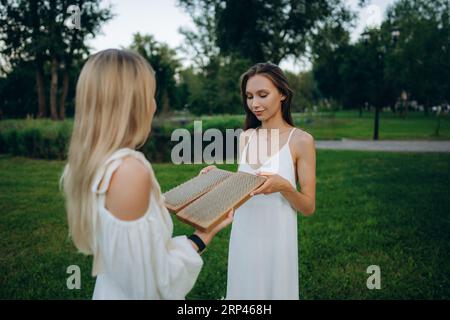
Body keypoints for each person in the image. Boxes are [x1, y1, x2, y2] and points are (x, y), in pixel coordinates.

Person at [60, 49, 233, 300]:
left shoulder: (92, 163)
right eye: (150, 96)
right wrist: (202, 236)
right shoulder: (129, 170)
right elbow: (152, 285)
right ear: (133, 104)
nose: (153, 106)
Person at [200, 62, 316, 299]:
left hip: (277, 240)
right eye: (250, 96)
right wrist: (219, 179)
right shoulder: (246, 137)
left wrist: (283, 186)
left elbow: (308, 207)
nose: (254, 104)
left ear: (282, 94)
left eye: (263, 95)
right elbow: (243, 189)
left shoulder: (301, 141)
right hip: (244, 235)